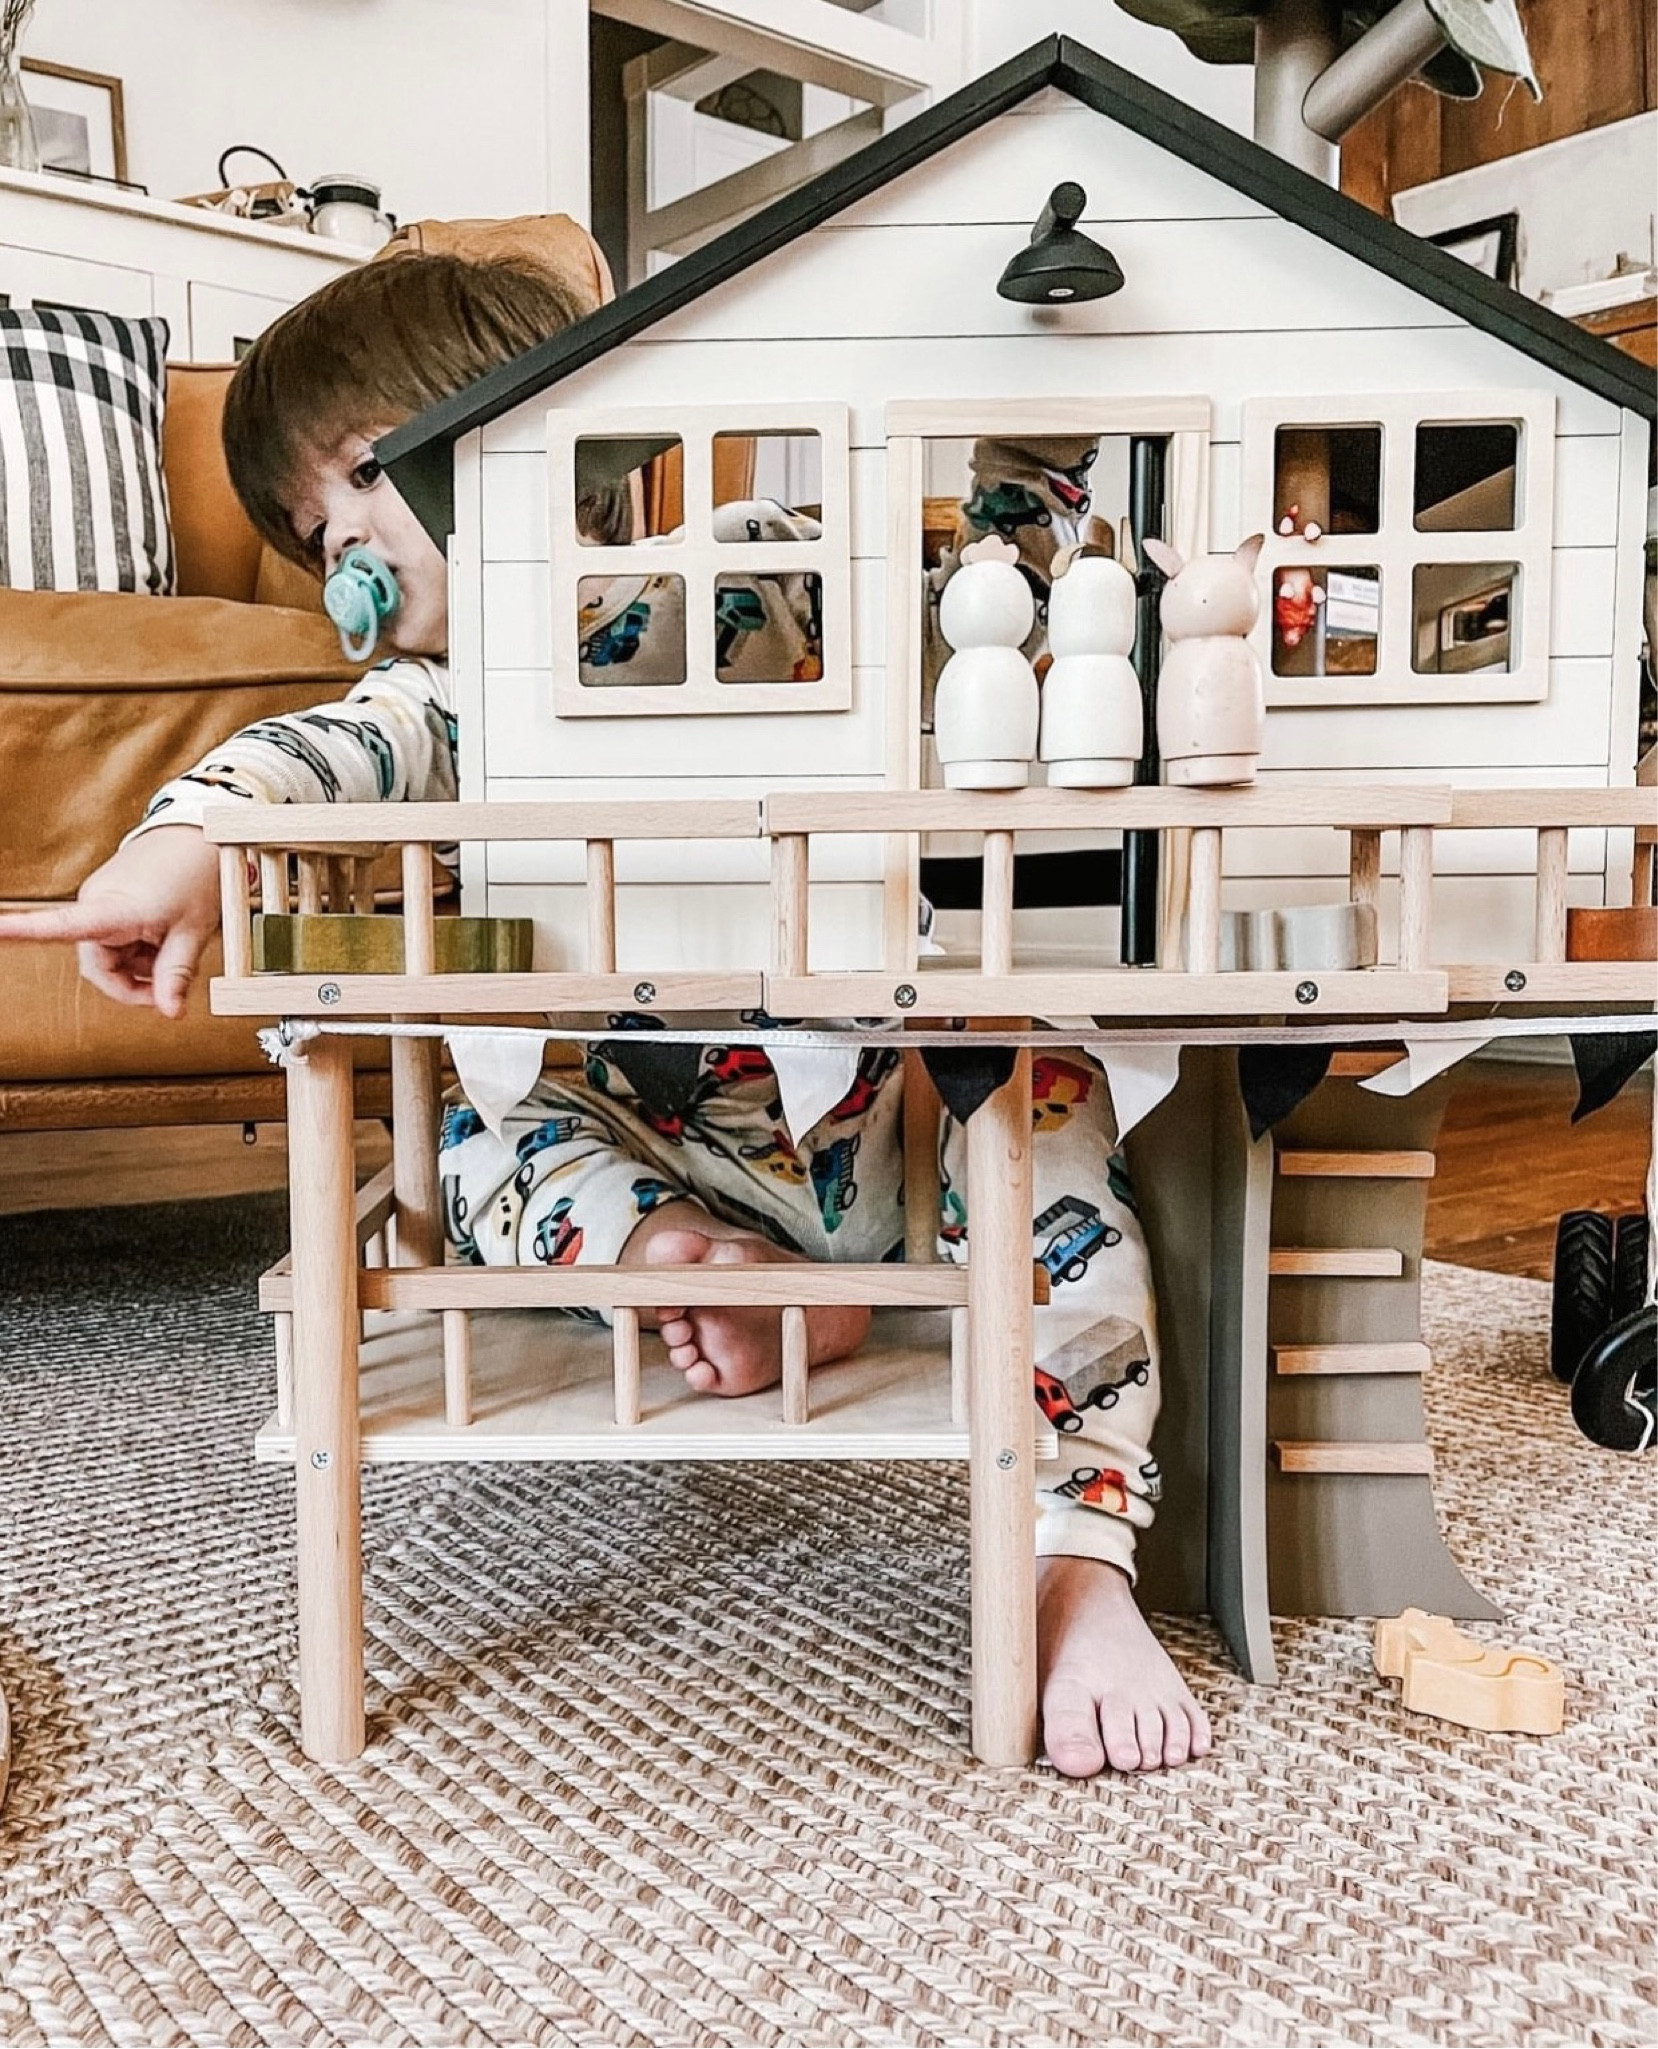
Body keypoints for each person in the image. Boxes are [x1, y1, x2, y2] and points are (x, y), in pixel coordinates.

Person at [0, 252, 1211, 1780]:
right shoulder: (439, 699)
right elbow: (311, 759)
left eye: (375, 472)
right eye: (319, 535)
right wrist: (172, 847)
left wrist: (1021, 454)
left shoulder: (763, 560)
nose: (353, 543)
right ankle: (710, 1270)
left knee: (1047, 1112)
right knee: (477, 1144)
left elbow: (980, 587)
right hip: (627, 1128)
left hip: (882, 1106)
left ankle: (1072, 1555)